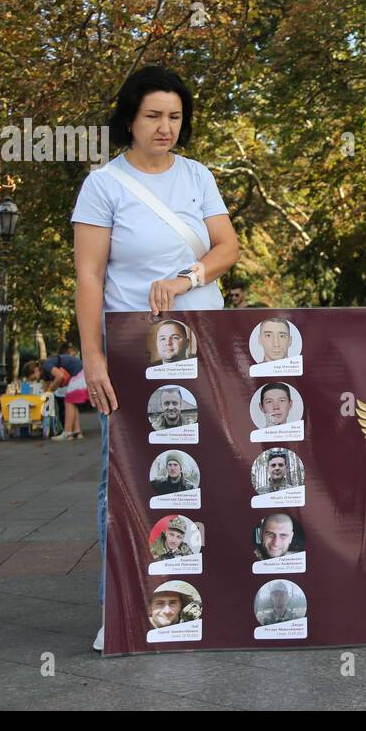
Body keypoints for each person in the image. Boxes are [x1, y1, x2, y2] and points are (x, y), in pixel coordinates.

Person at [72, 65, 240, 651]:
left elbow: (227, 247)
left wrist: (188, 275)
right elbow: (89, 276)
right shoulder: (104, 185)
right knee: (123, 475)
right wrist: (92, 356)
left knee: (207, 470)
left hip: (203, 344)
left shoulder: (197, 177)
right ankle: (118, 605)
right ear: (130, 118)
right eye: (153, 116)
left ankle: (205, 596)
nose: (165, 127)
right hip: (132, 349)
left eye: (174, 116)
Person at [43, 344, 87, 441]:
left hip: (78, 374)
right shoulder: (51, 363)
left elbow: (60, 376)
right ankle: (77, 432)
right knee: (73, 403)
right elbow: (45, 384)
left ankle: (67, 433)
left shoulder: (46, 364)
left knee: (68, 401)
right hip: (82, 373)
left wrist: (52, 388)